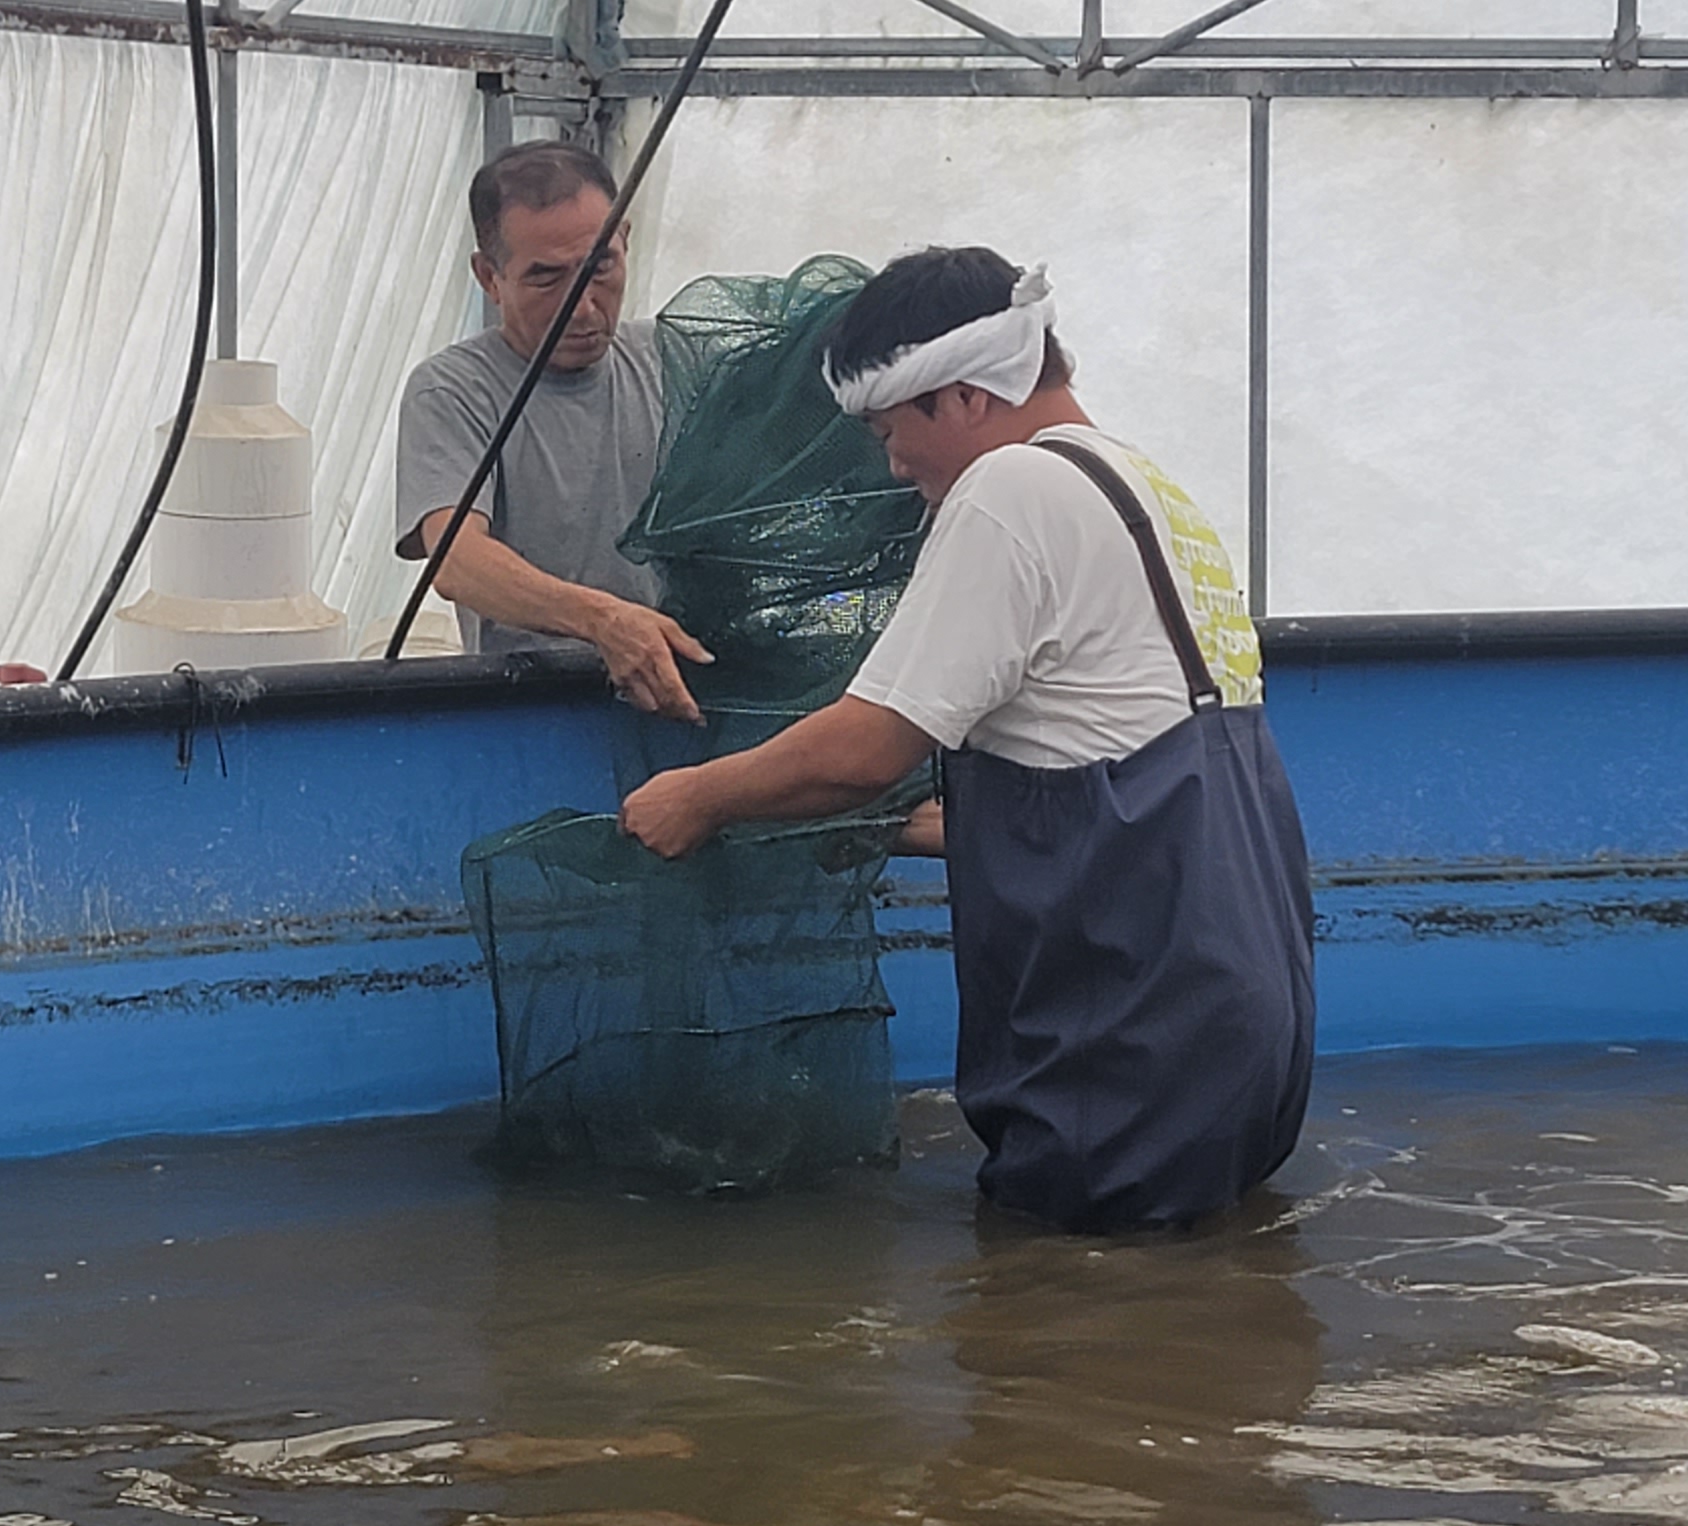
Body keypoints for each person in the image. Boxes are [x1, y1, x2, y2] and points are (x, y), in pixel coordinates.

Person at [619, 246, 1316, 1233]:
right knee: (1195, 1312)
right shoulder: (1137, 486)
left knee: (1058, 1337)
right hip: (1239, 1024)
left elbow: (862, 749)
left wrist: (698, 797)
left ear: (963, 397)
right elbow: (1116, 775)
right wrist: (907, 830)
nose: (893, 465)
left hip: (1126, 1040)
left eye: (890, 430)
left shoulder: (1010, 492)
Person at [396, 141, 712, 721]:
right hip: (534, 720)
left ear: (627, 243)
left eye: (600, 267)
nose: (585, 308)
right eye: (545, 278)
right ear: (489, 277)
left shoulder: (676, 363)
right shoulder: (455, 391)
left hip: (685, 704)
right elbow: (456, 560)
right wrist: (604, 621)